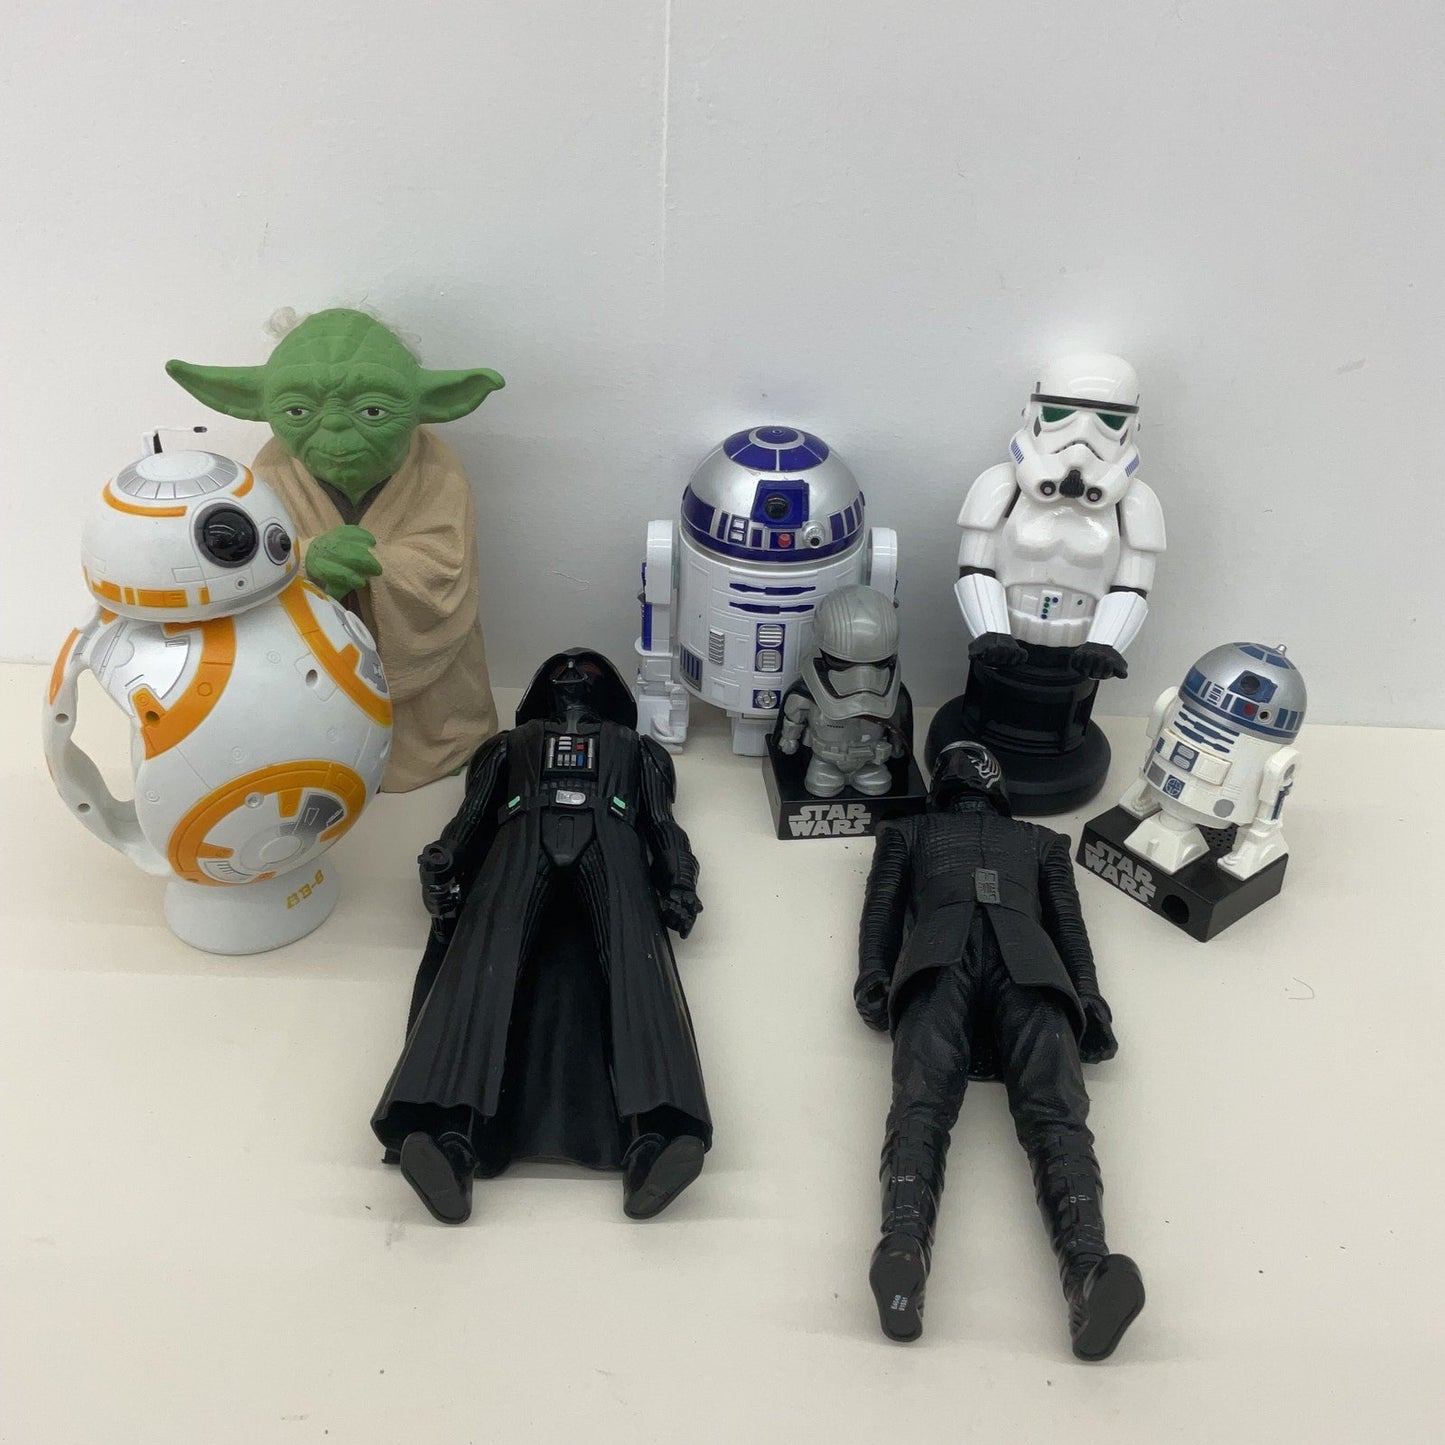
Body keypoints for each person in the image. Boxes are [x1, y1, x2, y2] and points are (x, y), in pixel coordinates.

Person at [372, 649, 710, 1224]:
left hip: (613, 838)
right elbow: (471, 817)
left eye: (588, 669)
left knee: (639, 965)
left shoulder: (636, 749)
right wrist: (445, 858)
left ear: (609, 691)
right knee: (481, 959)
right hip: (519, 837)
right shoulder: (509, 745)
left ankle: (655, 1137)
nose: (573, 675)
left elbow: (662, 825)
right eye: (559, 669)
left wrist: (680, 880)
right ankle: (447, 1136)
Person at [855, 740, 1144, 1359]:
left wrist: (1090, 997)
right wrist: (873, 973)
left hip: (968, 962)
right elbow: (882, 907)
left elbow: (1068, 923)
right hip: (996, 964)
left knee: (925, 1106)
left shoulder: (1040, 844)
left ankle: (907, 1245)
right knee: (1052, 1119)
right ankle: (1077, 1267)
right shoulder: (913, 834)